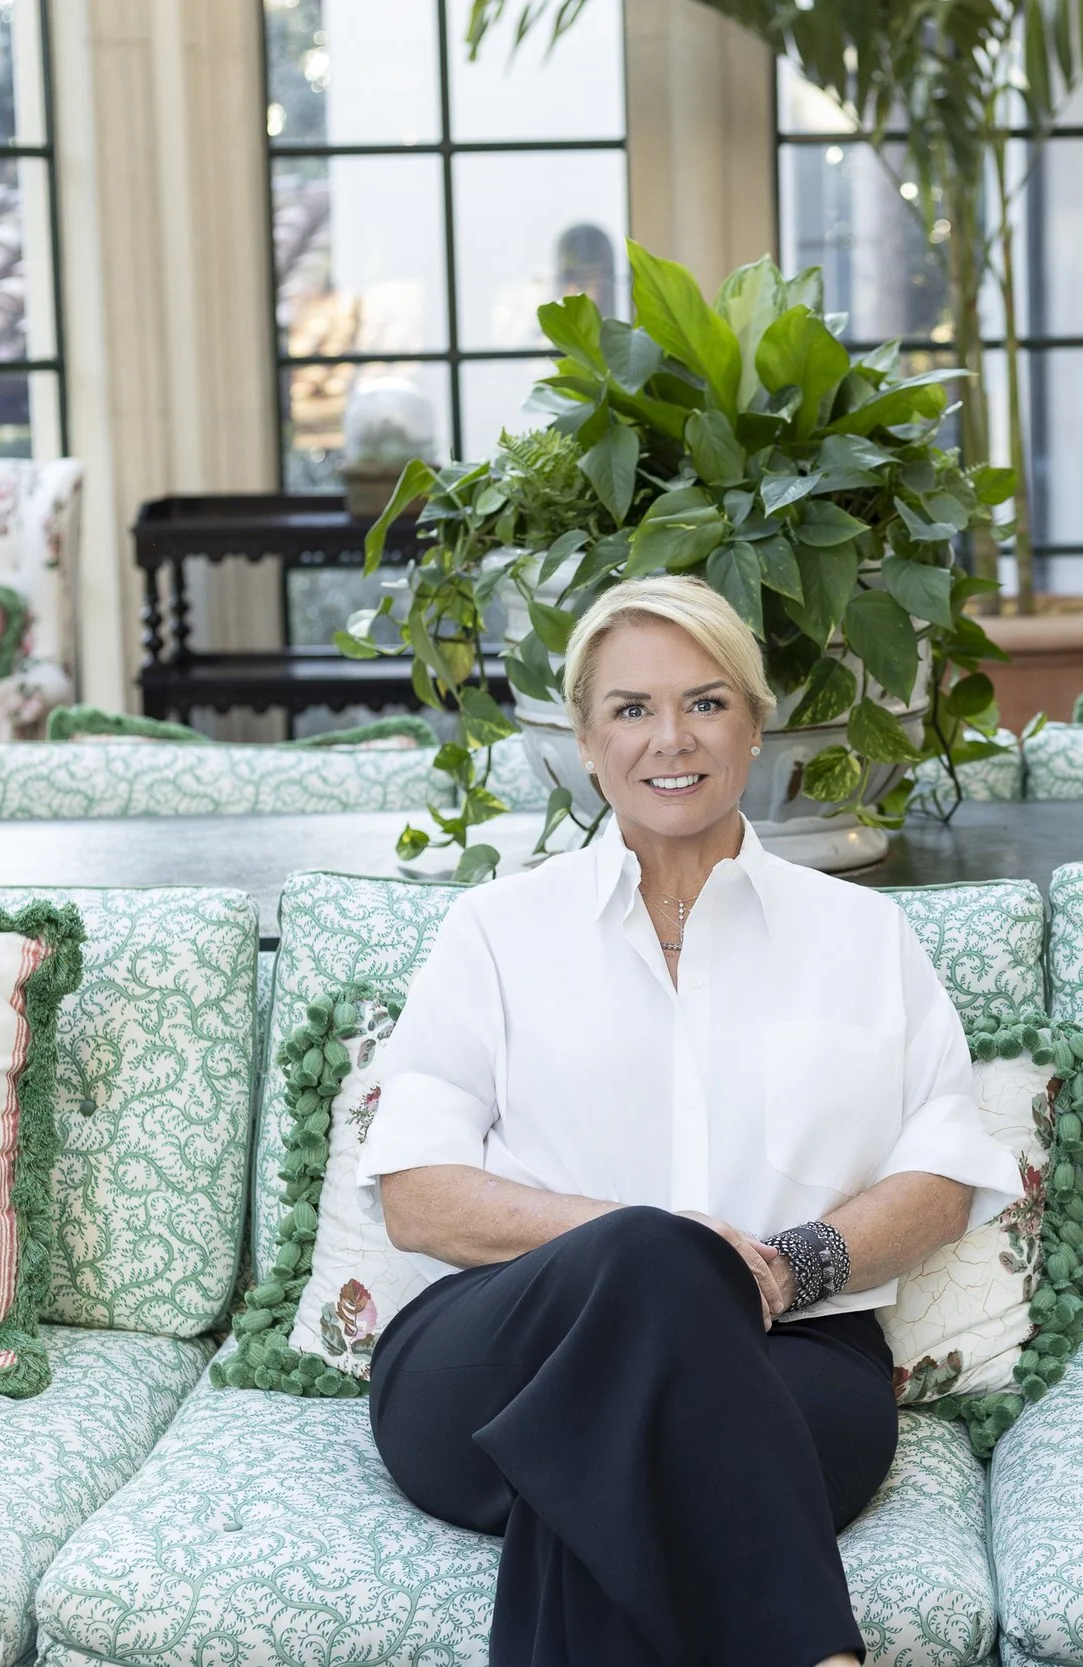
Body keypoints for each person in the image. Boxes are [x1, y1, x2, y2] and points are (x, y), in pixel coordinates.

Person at [360, 575, 1022, 1667]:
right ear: (584, 741)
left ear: (756, 724)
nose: (671, 737)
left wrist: (785, 1269)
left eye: (706, 702)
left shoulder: (861, 935)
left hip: (792, 1360)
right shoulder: (495, 930)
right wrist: (676, 1250)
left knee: (615, 1450)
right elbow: (417, 1195)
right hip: (496, 1356)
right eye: (631, 708)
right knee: (652, 1257)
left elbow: (942, 1175)